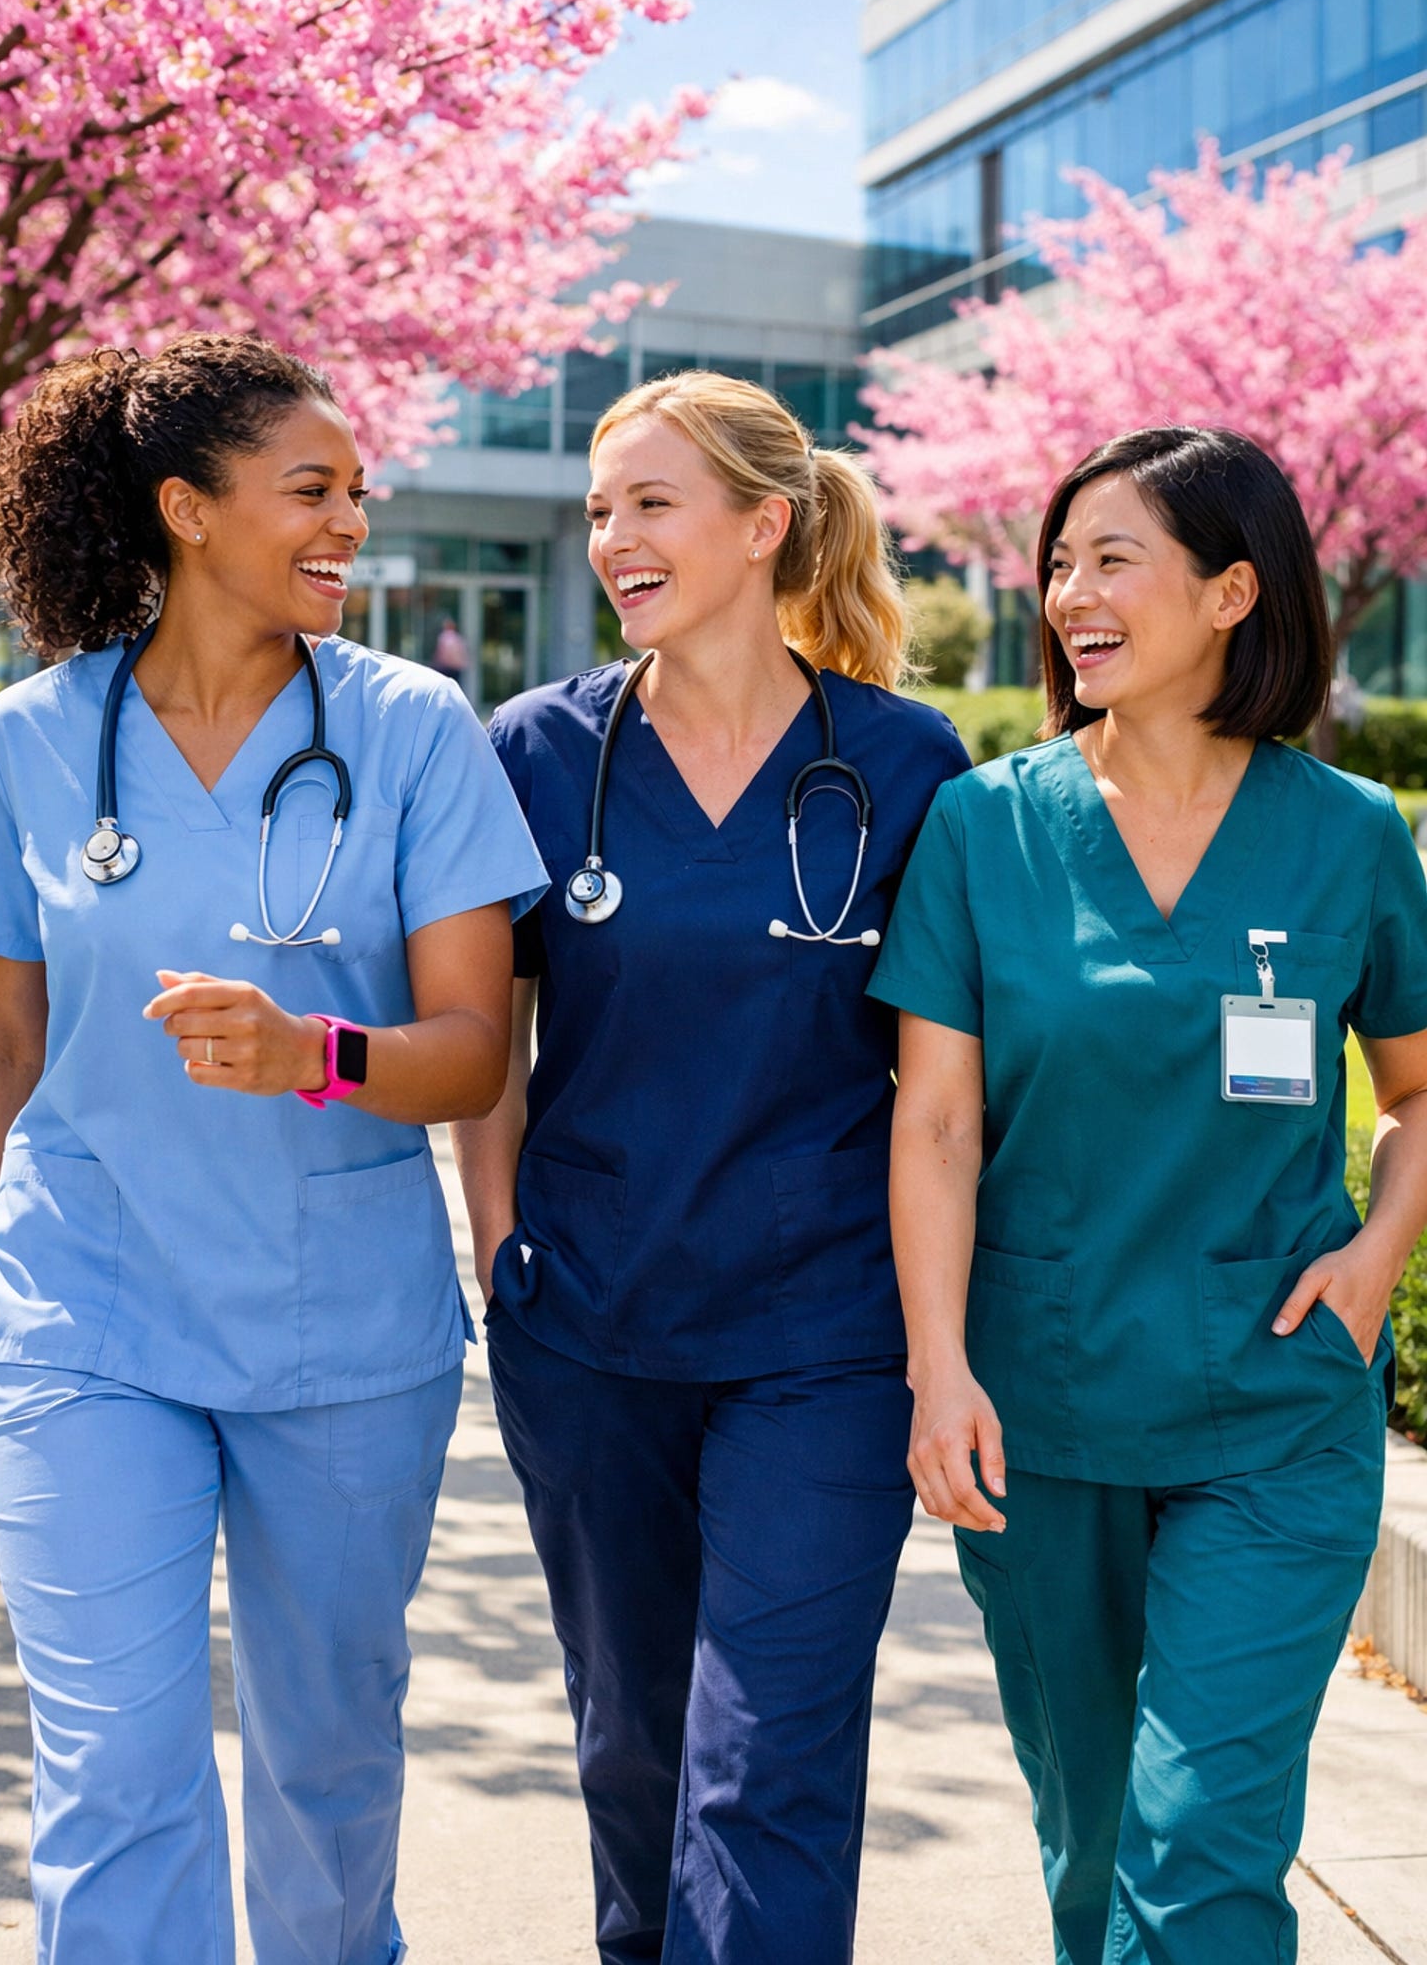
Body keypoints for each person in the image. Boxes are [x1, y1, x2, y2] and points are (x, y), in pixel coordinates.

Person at [0, 334, 546, 1964]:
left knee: (329, 1757)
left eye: (359, 493)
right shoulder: (24, 743)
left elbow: (472, 1048)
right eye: (312, 490)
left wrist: (313, 1053)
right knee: (113, 1762)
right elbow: (1, 1046)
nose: (350, 522)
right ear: (185, 509)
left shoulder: (416, 727)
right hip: (79, 1317)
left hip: (340, 1328)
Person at [869, 426, 1427, 1965]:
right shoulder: (987, 827)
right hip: (1042, 1415)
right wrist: (938, 1368)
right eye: (1060, 562)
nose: (1069, 594)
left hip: (1281, 1408)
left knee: (1202, 1856)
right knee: (1097, 1840)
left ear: (1234, 590)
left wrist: (1384, 1246)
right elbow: (935, 1127)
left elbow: (1423, 1090)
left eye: (1113, 558)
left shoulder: (1352, 838)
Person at [452, 370, 970, 1964]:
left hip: (823, 1339)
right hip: (590, 1323)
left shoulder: (902, 763)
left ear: (765, 525)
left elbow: (944, 1085)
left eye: (652, 504)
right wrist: (500, 1250)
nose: (614, 539)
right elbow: (484, 1046)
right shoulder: (539, 752)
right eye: (602, 511)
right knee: (635, 1750)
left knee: (767, 1766)